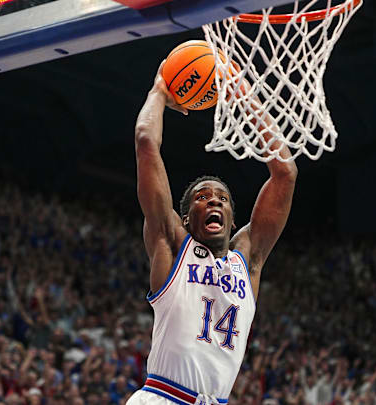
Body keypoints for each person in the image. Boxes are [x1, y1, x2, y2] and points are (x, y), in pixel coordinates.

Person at [126, 59, 298, 405]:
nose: (213, 202)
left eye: (221, 198)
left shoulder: (247, 260)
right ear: (187, 220)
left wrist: (243, 95)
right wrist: (160, 89)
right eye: (202, 198)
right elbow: (146, 141)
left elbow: (285, 173)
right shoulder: (173, 245)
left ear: (234, 220)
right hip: (162, 397)